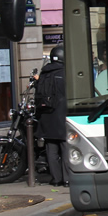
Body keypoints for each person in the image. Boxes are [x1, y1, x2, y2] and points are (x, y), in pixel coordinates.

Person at [35, 45, 68, 187]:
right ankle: (67, 179)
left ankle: (56, 179)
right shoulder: (65, 73)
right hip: (62, 114)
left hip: (47, 116)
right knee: (66, 147)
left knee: (51, 149)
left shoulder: (44, 73)